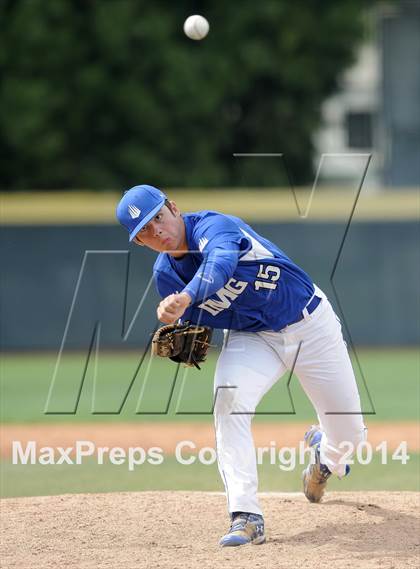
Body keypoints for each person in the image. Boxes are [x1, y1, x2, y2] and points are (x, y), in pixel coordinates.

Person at [116, 184, 367, 547]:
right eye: (145, 233)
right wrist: (184, 321)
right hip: (253, 339)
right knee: (228, 400)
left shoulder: (214, 226)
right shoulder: (166, 278)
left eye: (158, 218)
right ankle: (245, 515)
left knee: (349, 437)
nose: (157, 232)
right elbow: (212, 317)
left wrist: (186, 298)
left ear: (173, 207)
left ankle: (325, 456)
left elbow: (219, 264)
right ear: (140, 243)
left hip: (309, 324)